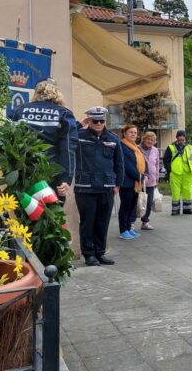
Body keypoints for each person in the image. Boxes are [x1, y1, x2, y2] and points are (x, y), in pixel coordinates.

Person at [9, 78, 77, 203]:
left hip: (22, 174)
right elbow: (68, 149)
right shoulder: (64, 114)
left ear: (37, 92)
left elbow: (8, 143)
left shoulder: (19, 110)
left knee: (22, 212)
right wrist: (66, 179)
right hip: (51, 175)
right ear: (57, 92)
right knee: (50, 212)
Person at [74, 106, 123, 266]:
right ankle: (89, 254)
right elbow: (65, 138)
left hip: (106, 186)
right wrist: (79, 125)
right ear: (89, 120)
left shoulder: (113, 139)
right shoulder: (79, 136)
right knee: (88, 222)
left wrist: (118, 184)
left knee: (103, 222)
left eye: (101, 120)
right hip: (85, 187)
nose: (99, 123)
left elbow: (119, 163)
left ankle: (100, 252)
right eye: (95, 121)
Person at [117, 124, 146, 240]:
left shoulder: (135, 147)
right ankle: (123, 230)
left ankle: (129, 228)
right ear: (124, 133)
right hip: (127, 182)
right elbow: (127, 166)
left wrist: (144, 174)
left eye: (135, 132)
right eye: (130, 132)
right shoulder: (122, 146)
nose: (133, 134)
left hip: (135, 183)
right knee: (125, 207)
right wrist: (140, 177)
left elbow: (143, 162)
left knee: (131, 207)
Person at [163, 130, 192, 216]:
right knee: (176, 192)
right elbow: (166, 160)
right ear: (177, 137)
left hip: (187, 173)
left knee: (188, 191)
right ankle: (175, 210)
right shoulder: (171, 147)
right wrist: (170, 170)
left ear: (185, 138)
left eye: (183, 136)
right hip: (175, 173)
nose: (181, 138)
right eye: (180, 136)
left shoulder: (190, 147)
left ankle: (187, 209)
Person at [138, 131, 159, 230]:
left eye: (152, 140)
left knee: (149, 203)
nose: (150, 141)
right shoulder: (137, 148)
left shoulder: (155, 150)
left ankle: (145, 222)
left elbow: (157, 165)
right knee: (137, 202)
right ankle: (131, 223)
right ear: (144, 139)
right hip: (139, 180)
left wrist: (157, 178)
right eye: (148, 139)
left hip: (151, 181)